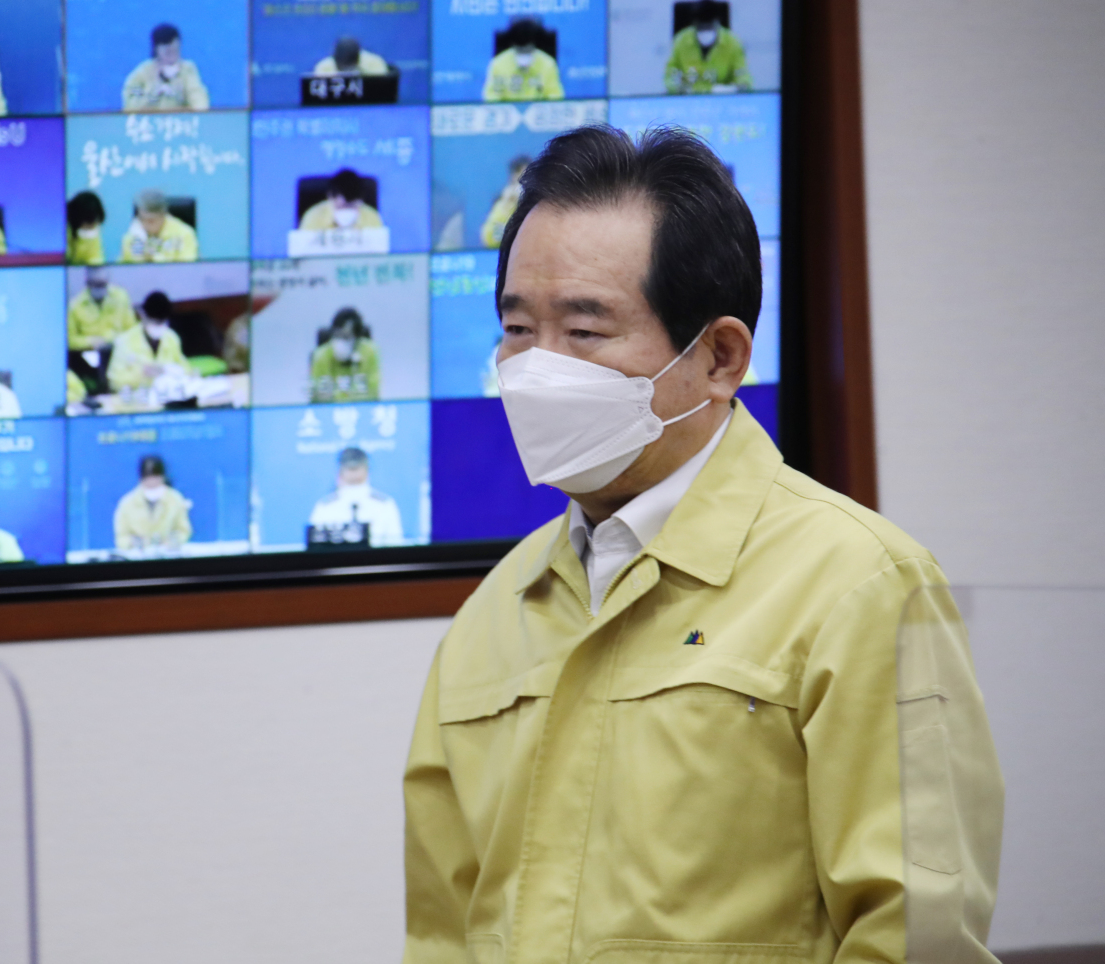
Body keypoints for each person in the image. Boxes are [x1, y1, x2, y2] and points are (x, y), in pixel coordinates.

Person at [403, 127, 1003, 964]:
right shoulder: (494, 613)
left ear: (720, 356)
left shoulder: (861, 585)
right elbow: (443, 933)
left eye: (584, 332)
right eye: (515, 328)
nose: (536, 370)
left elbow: (918, 937)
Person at [308, 447, 403, 547]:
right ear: (340, 471)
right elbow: (315, 545)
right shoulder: (325, 506)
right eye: (349, 468)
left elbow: (395, 545)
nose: (353, 472)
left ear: (367, 469)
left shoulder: (384, 505)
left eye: (357, 467)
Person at [68, 267, 136, 394]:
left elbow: (132, 330)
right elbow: (70, 341)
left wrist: (119, 340)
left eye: (104, 284)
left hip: (118, 352)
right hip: (90, 356)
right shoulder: (75, 305)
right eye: (97, 284)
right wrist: (89, 341)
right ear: (88, 283)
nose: (101, 288)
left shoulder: (121, 297)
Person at [107, 291, 188, 393]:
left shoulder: (171, 338)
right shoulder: (125, 341)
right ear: (143, 315)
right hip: (137, 400)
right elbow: (114, 381)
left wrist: (168, 370)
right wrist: (141, 374)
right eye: (154, 322)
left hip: (167, 396)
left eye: (161, 322)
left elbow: (185, 370)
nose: (157, 326)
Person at [665, 0, 752, 94]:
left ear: (717, 23)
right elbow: (670, 77)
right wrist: (680, 89)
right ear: (695, 24)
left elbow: (743, 77)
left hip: (722, 100)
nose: (705, 31)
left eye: (709, 27)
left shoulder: (733, 43)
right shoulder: (681, 41)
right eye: (702, 27)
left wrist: (734, 88)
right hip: (689, 100)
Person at [122, 23, 210, 112]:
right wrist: (153, 94)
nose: (172, 56)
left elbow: (200, 101)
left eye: (175, 51)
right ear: (156, 50)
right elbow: (130, 106)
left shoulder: (187, 70)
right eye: (167, 52)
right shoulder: (141, 74)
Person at [113, 455, 193, 552]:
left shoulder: (175, 499)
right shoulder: (127, 503)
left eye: (156, 477)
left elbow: (184, 530)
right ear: (141, 479)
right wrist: (133, 543)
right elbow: (121, 537)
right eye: (148, 477)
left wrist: (173, 542)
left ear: (163, 477)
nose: (152, 482)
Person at [482, 17, 564, 102]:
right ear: (513, 45)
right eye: (520, 50)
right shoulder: (498, 64)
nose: (524, 54)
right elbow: (491, 97)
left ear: (533, 45)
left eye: (527, 50)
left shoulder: (548, 64)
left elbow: (555, 96)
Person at [309, 307, 380, 402]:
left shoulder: (370, 352)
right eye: (337, 335)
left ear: (357, 339)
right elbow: (319, 396)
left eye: (346, 337)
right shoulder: (321, 355)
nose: (340, 342)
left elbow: (373, 392)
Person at [120, 189, 199, 263]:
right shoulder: (132, 236)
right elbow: (122, 270)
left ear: (163, 216)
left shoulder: (184, 234)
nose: (145, 225)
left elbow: (186, 270)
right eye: (142, 219)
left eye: (151, 221)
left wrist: (152, 256)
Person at [299, 169, 384, 231]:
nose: (347, 210)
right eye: (343, 206)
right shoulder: (313, 217)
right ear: (331, 197)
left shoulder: (372, 218)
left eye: (352, 206)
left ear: (360, 200)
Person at [480, 154, 530, 248]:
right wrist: (506, 205)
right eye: (519, 172)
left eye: (527, 173)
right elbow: (491, 239)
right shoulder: (501, 201)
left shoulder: (537, 203)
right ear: (512, 176)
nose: (523, 178)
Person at [313, 36, 390, 76]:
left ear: (358, 58)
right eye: (342, 68)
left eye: (350, 67)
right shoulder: (324, 68)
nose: (347, 73)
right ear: (335, 59)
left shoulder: (375, 65)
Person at [67, 191, 107, 266]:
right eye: (90, 223)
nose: (92, 227)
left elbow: (96, 259)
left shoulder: (92, 234)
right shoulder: (60, 233)